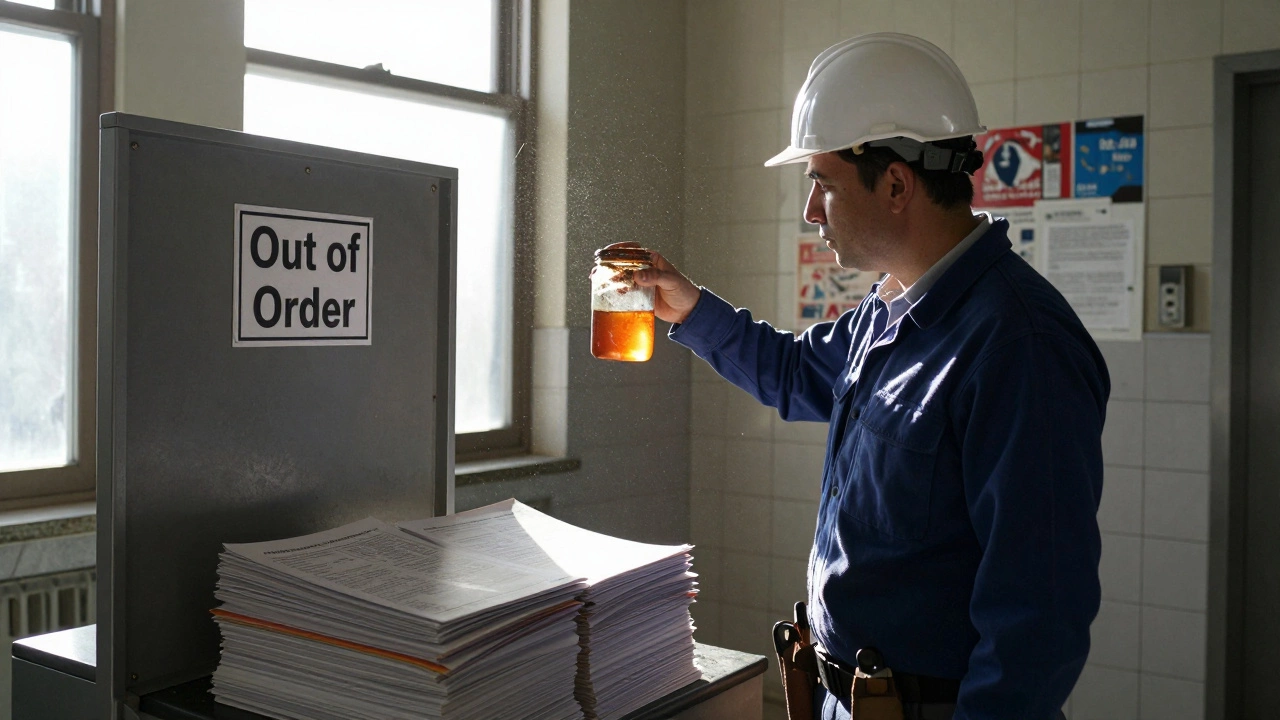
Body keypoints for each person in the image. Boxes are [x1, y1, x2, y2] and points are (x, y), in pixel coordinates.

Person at [630, 33, 1108, 720]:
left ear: (894, 184)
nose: (810, 211)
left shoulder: (1018, 343)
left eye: (822, 182)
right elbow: (795, 372)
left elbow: (1039, 613)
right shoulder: (888, 312)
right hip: (842, 700)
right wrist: (692, 308)